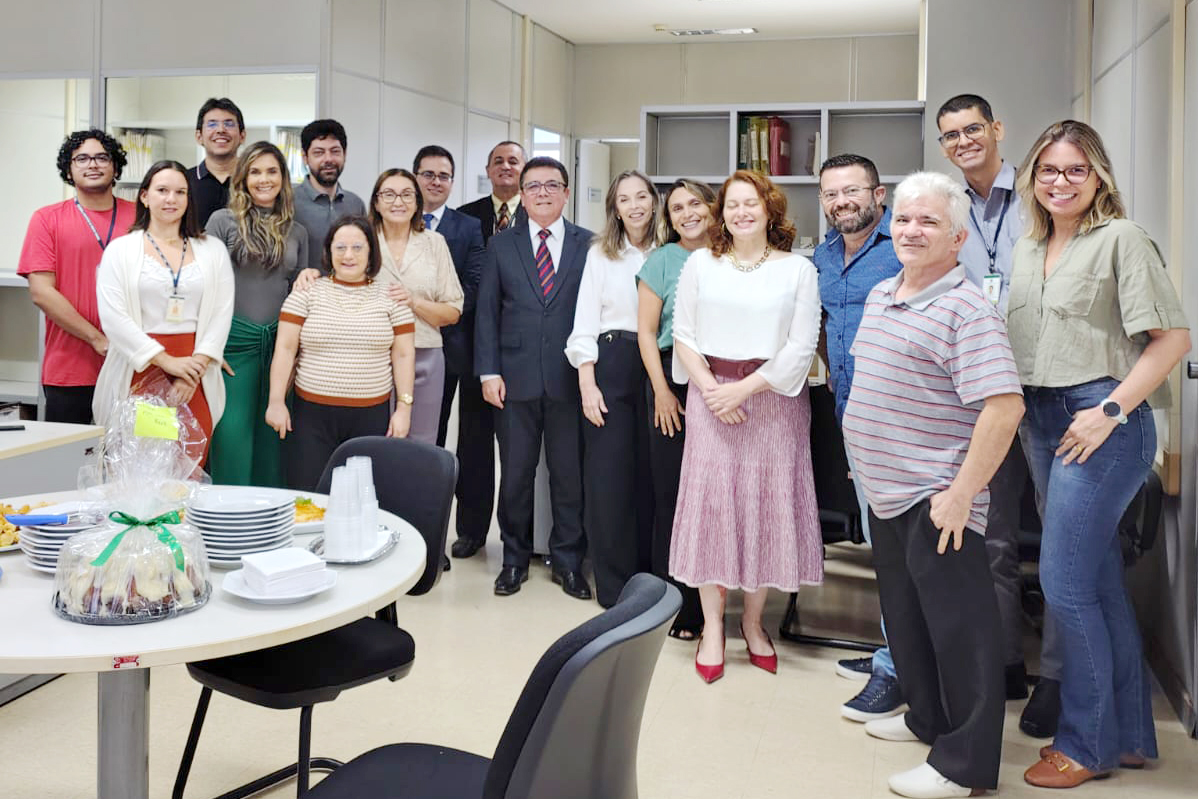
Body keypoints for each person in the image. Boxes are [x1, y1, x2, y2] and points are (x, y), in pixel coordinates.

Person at [1011, 121, 1189, 788]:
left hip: (1102, 422)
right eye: (1048, 170)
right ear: (1032, 176)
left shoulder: (1121, 239)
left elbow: (1172, 339)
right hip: (1041, 418)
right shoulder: (1029, 247)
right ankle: (1133, 736)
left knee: (1063, 584)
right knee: (1101, 581)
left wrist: (1110, 411)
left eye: (1075, 171)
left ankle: (1086, 743)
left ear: (1099, 178)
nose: (1060, 182)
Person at [842, 171, 1023, 799]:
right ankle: (926, 719)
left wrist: (962, 493)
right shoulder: (883, 293)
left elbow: (1003, 408)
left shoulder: (966, 309)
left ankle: (964, 766)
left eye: (929, 222)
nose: (911, 231)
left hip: (938, 496)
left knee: (960, 632)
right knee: (907, 620)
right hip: (886, 493)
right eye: (905, 220)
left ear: (957, 235)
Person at [670, 169, 822, 683]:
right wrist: (715, 390)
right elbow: (683, 335)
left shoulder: (797, 269)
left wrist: (746, 388)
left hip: (774, 402)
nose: (740, 212)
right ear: (721, 214)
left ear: (769, 207)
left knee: (763, 508)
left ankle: (755, 624)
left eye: (750, 203)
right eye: (731, 205)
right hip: (710, 397)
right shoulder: (699, 264)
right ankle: (714, 627)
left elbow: (801, 346)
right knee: (714, 509)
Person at [936, 92, 1052, 725]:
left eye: (972, 129)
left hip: (1048, 388)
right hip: (983, 394)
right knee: (995, 539)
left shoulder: (1041, 191)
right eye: (951, 135)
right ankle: (1007, 665)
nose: (963, 143)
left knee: (1061, 544)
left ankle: (1058, 681)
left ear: (997, 129)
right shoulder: (950, 206)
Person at [812, 154, 905, 721]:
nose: (841, 201)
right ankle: (894, 651)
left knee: (899, 550)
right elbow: (824, 329)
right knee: (880, 542)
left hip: (903, 421)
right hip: (852, 415)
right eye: (830, 194)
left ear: (880, 193)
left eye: (852, 191)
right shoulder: (822, 256)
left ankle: (899, 670)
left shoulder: (905, 247)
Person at [474, 156, 592, 600]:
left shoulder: (589, 244)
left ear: (566, 192)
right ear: (521, 195)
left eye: (552, 185)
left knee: (568, 475)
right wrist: (489, 371)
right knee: (517, 475)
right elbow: (486, 313)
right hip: (513, 379)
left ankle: (568, 562)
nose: (543, 193)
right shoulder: (502, 245)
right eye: (534, 186)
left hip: (569, 380)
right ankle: (513, 560)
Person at [93, 160, 235, 464]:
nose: (171, 199)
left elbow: (222, 313)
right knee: (142, 468)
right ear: (144, 196)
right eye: (162, 190)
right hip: (142, 368)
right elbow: (113, 317)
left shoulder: (213, 250)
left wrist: (193, 369)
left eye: (180, 192)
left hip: (195, 372)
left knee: (189, 468)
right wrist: (167, 362)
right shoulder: (121, 251)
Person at [565, 169, 660, 608]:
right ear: (615, 209)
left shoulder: (673, 249)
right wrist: (587, 382)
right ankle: (616, 587)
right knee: (610, 477)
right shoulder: (601, 254)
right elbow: (584, 322)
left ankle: (655, 580)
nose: (635, 205)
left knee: (654, 475)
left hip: (662, 363)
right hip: (613, 362)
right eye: (625, 199)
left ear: (654, 201)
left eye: (642, 196)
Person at [266, 215, 417, 491]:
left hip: (371, 415)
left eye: (358, 247)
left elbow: (404, 356)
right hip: (312, 416)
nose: (349, 255)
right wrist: (276, 400)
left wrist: (404, 409)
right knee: (307, 495)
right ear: (328, 251)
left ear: (371, 251)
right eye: (340, 247)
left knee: (361, 498)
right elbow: (285, 349)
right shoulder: (306, 292)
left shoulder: (392, 297)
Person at [635, 177, 714, 639]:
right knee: (674, 495)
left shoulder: (729, 255)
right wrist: (662, 391)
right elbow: (647, 332)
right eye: (677, 208)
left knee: (713, 496)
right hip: (672, 382)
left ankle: (714, 598)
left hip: (722, 379)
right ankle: (677, 605)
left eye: (695, 204)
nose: (687, 213)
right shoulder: (663, 260)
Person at [204, 142, 308, 486]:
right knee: (231, 435)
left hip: (281, 345)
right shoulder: (221, 221)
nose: (264, 179)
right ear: (243, 177)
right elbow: (204, 288)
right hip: (233, 343)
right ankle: (227, 526)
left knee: (274, 436)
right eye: (256, 171)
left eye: (272, 171)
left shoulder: (297, 230)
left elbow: (300, 295)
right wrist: (209, 347)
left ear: (284, 178)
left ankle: (268, 526)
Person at [19, 129, 136, 424]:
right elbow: (41, 292)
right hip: (71, 371)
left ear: (115, 166)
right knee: (72, 464)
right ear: (69, 169)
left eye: (101, 157)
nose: (92, 164)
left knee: (135, 463)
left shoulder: (141, 217)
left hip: (135, 367)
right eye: (81, 158)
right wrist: (98, 339)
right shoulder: (47, 219)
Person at [410, 145, 492, 557]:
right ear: (415, 177)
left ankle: (462, 532)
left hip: (460, 345)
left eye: (443, 176)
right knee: (426, 442)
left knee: (470, 444)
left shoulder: (467, 225)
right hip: (409, 350)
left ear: (452, 182)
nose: (435, 182)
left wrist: (442, 315)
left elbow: (472, 284)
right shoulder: (396, 223)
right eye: (427, 174)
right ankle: (420, 535)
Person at [369, 168, 463, 445]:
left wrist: (414, 301)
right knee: (375, 442)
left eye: (407, 194)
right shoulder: (363, 241)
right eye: (389, 194)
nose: (398, 202)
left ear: (417, 202)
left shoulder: (435, 243)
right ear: (376, 202)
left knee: (421, 444)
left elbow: (453, 311)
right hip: (373, 356)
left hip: (425, 355)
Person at [293, 119, 366, 272]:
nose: (328, 159)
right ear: (305, 157)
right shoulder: (288, 202)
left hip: (350, 293)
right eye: (318, 153)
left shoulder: (356, 204)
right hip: (303, 293)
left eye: (335, 151)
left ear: (345, 154)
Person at [186, 98, 246, 228]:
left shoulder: (253, 181)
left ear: (242, 136)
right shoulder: (184, 181)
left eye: (229, 124)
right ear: (199, 136)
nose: (221, 130)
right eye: (212, 124)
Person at [458, 141, 527, 242]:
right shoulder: (465, 215)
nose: (505, 167)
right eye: (498, 162)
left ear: (526, 171)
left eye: (512, 162)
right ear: (488, 171)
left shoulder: (537, 214)